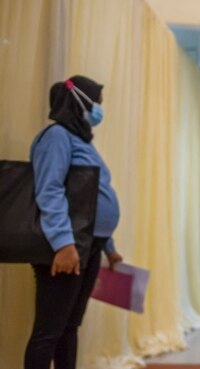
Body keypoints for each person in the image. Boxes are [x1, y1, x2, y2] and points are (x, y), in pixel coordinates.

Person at [25, 75, 123, 369]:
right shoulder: (56, 137)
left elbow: (88, 199)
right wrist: (64, 244)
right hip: (68, 244)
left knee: (70, 326)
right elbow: (49, 190)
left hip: (89, 243)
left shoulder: (81, 141)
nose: (100, 109)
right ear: (80, 100)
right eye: (98, 102)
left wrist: (109, 247)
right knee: (49, 331)